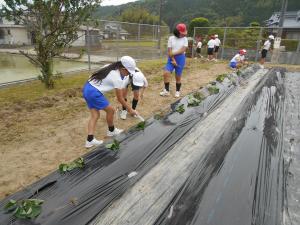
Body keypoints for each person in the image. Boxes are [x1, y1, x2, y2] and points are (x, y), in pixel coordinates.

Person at [82, 56, 138, 148]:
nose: (128, 74)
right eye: (128, 72)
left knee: (95, 115)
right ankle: (111, 131)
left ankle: (90, 140)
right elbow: (120, 99)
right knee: (111, 110)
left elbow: (93, 76)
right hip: (93, 92)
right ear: (123, 68)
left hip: (87, 88)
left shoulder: (111, 67)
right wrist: (131, 110)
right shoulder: (117, 78)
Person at [160, 23, 188, 98]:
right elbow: (169, 50)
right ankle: (166, 91)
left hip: (180, 58)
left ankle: (177, 91)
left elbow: (183, 50)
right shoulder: (171, 38)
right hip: (171, 59)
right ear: (177, 32)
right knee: (166, 73)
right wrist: (173, 59)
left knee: (178, 76)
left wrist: (173, 53)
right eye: (181, 33)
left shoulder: (185, 39)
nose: (183, 35)